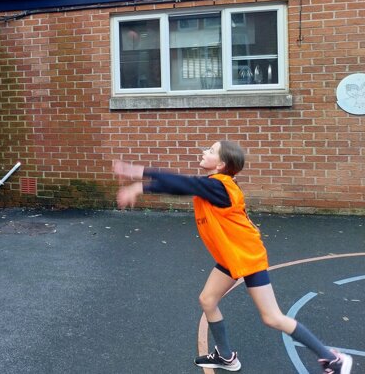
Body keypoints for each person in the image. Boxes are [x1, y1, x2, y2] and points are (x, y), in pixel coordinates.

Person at [112, 140, 353, 374]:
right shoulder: (214, 185)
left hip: (247, 257)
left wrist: (139, 182)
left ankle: (333, 360)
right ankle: (226, 357)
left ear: (221, 165)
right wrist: (139, 177)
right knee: (208, 300)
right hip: (232, 257)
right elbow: (184, 184)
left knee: (272, 317)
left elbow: (182, 184)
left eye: (211, 150)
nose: (204, 152)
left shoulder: (219, 185)